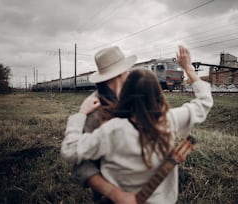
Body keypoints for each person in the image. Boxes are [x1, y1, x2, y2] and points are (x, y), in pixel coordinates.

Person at [61, 46, 213, 203]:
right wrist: (188, 68)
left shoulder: (112, 129)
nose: (128, 73)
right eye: (126, 70)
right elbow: (204, 102)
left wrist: (79, 115)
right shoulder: (169, 120)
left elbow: (71, 151)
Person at [74, 46, 138, 204]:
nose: (129, 74)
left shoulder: (133, 97)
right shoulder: (93, 110)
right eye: (126, 70)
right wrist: (115, 194)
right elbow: (83, 163)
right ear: (119, 74)